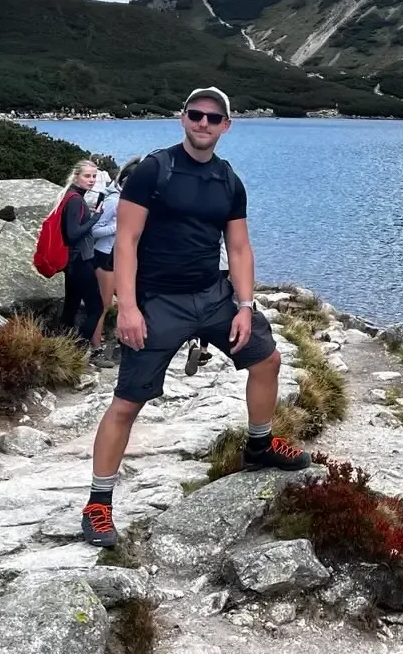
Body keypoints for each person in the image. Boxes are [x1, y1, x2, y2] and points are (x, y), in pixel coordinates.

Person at [81, 88, 307, 547]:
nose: (203, 123)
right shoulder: (153, 171)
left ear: (226, 125)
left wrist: (245, 306)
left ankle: (259, 447)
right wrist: (126, 307)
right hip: (158, 301)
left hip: (212, 295)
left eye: (213, 118)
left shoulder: (228, 181)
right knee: (127, 402)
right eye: (196, 115)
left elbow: (239, 248)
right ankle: (98, 504)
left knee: (267, 359)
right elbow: (125, 241)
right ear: (183, 119)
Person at [59, 160, 107, 357]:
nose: (92, 180)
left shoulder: (71, 195)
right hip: (79, 261)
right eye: (87, 176)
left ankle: (62, 349)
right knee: (96, 308)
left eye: (94, 176)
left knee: (71, 306)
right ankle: (78, 349)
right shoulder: (76, 200)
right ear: (76, 176)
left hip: (73, 262)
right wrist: (95, 217)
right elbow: (72, 234)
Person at [86, 164, 128, 365]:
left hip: (118, 257)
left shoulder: (127, 201)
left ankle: (122, 343)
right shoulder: (113, 201)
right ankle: (96, 350)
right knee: (102, 305)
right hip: (104, 257)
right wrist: (117, 227)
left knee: (128, 300)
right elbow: (94, 230)